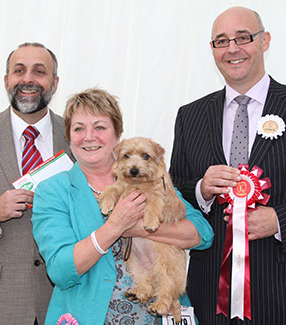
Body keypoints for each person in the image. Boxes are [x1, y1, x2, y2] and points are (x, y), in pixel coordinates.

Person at [32, 88, 214, 324]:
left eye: (100, 127)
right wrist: (114, 226)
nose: (89, 136)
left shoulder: (149, 177)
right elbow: (60, 270)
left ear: (117, 134)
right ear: (68, 136)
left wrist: (140, 227)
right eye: (79, 128)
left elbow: (203, 233)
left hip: (160, 314)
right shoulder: (53, 191)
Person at [170, 6, 286, 325]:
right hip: (208, 295)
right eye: (221, 41)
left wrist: (279, 220)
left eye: (243, 37)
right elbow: (173, 193)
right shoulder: (189, 116)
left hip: (278, 291)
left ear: (265, 41)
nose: (232, 48)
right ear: (212, 49)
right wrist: (200, 189)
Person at [0, 42, 73, 324]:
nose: (28, 79)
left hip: (65, 300)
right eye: (19, 70)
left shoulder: (79, 136)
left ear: (55, 83)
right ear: (5, 80)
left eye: (39, 71)